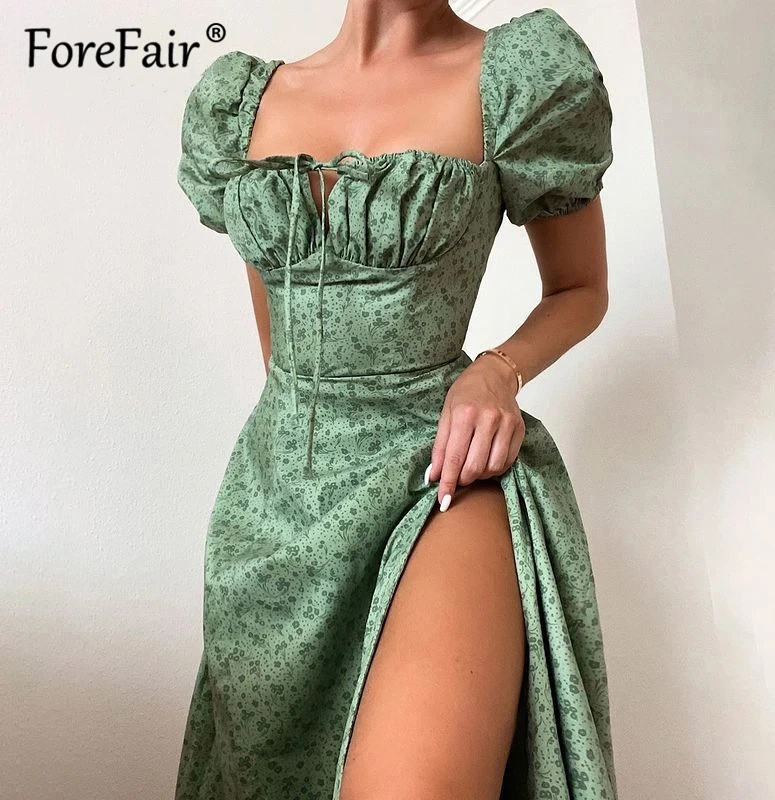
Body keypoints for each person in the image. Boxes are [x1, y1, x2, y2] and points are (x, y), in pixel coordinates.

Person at [174, 2, 617, 798]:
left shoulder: (512, 80)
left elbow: (580, 289)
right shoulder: (241, 104)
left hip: (441, 469)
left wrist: (498, 370)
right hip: (273, 505)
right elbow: (281, 356)